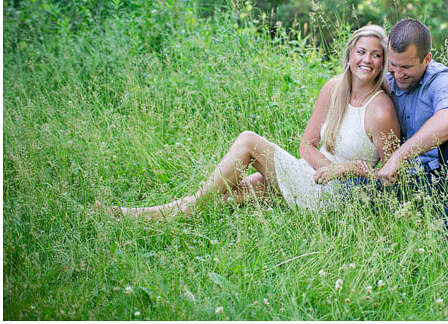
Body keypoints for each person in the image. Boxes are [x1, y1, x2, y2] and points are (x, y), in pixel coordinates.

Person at [99, 25, 399, 219]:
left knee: (249, 141)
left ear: (383, 63)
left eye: (376, 55)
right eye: (361, 52)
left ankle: (183, 208)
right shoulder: (334, 88)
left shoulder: (380, 109)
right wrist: (326, 167)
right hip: (312, 175)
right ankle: (139, 215)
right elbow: (306, 145)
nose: (367, 60)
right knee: (236, 191)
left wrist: (345, 171)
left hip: (335, 197)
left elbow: (388, 178)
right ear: (349, 54)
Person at [376, 18, 448, 225]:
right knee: (355, 187)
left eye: (407, 67)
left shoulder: (443, 80)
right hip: (414, 181)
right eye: (393, 64)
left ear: (427, 59)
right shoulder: (387, 78)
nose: (398, 74)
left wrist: (399, 157)